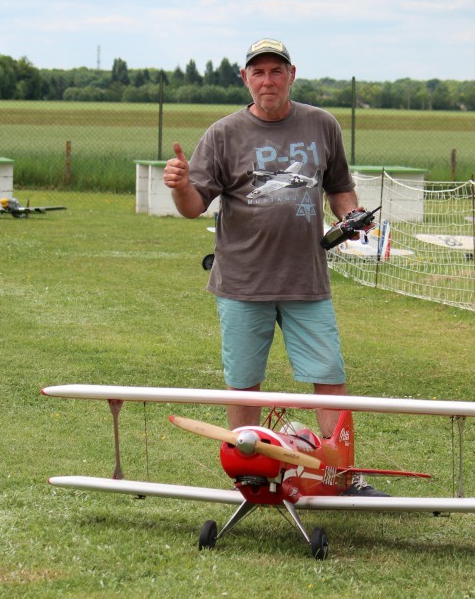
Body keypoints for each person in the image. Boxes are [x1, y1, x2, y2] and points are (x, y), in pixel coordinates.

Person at [163, 37, 386, 496]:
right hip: (242, 282)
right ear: (245, 79)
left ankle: (343, 475)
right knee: (244, 384)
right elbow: (192, 207)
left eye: (276, 71)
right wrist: (180, 185)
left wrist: (350, 215)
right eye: (258, 72)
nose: (268, 80)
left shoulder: (322, 124)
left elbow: (339, 187)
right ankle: (248, 474)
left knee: (329, 377)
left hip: (307, 280)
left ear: (292, 75)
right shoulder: (223, 134)